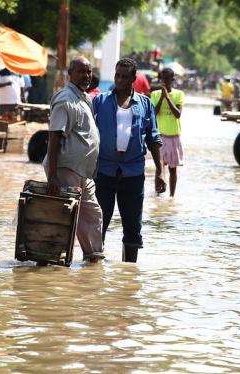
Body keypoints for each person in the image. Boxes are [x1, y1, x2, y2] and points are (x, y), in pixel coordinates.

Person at [93, 58, 166, 263]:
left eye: (125, 77)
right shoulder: (101, 101)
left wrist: (160, 172)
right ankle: (92, 271)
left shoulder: (145, 104)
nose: (120, 80)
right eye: (117, 75)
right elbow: (88, 135)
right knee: (98, 225)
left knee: (133, 228)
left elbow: (154, 138)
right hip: (104, 172)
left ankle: (129, 275)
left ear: (134, 79)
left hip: (133, 174)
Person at [42, 56, 104, 264]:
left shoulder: (83, 98)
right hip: (66, 169)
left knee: (92, 214)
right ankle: (54, 260)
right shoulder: (65, 99)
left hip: (83, 171)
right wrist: (52, 176)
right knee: (66, 217)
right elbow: (54, 137)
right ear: (71, 73)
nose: (87, 76)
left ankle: (94, 258)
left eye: (89, 71)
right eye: (82, 71)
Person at [151, 68, 184, 197]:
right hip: (159, 136)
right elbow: (154, 112)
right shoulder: (155, 94)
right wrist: (162, 97)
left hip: (173, 136)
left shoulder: (179, 94)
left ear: (172, 80)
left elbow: (177, 114)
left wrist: (168, 98)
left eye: (167, 79)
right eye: (162, 79)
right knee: (159, 168)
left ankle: (171, 196)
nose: (164, 82)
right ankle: (158, 195)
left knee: (172, 169)